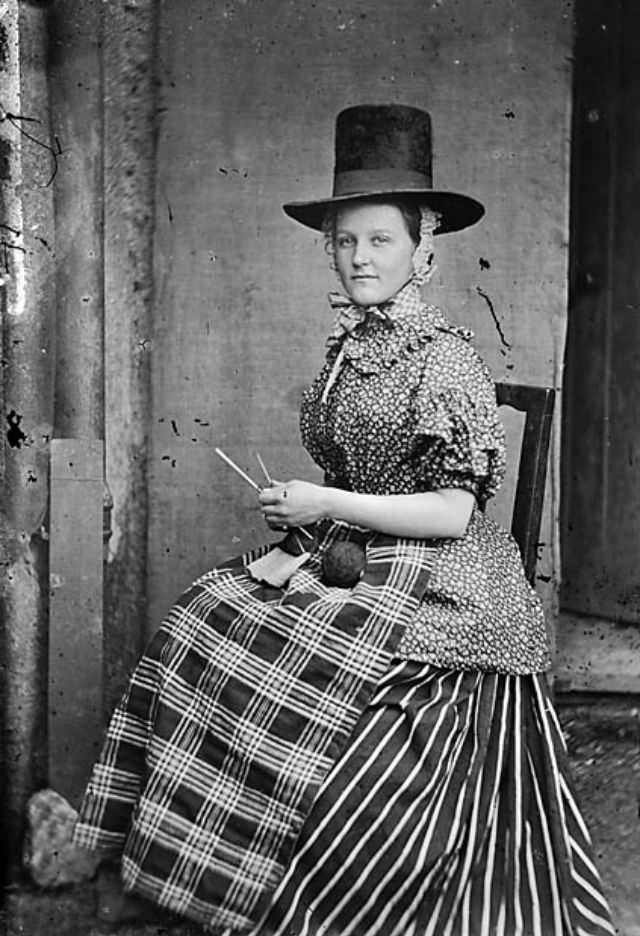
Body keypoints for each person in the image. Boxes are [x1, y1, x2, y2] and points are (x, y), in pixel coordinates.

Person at [73, 105, 615, 936]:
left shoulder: (445, 357)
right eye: (344, 241)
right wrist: (308, 527)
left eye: (380, 241)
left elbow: (451, 510)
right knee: (204, 616)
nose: (360, 258)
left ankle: (307, 886)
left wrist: (323, 506)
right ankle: (195, 866)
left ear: (423, 248)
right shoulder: (351, 342)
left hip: (446, 574)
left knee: (300, 657)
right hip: (356, 547)